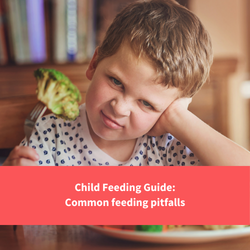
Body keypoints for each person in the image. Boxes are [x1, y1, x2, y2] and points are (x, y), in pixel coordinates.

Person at [3, 0, 250, 166]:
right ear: (94, 63)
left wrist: (179, 119)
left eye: (146, 103)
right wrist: (12, 186)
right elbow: (17, 212)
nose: (119, 108)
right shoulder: (51, 133)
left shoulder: (166, 147)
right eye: (116, 81)